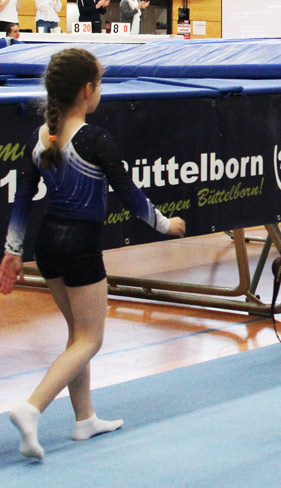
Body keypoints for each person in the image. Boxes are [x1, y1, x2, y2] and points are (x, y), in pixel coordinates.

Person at [1, 48, 186, 460]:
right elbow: (130, 195)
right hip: (80, 246)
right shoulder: (94, 139)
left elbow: (22, 200)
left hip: (47, 244)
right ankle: (32, 408)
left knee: (76, 335)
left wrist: (12, 251)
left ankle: (84, 419)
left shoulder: (41, 138)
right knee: (90, 339)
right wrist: (166, 225)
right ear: (88, 90)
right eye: (99, 84)